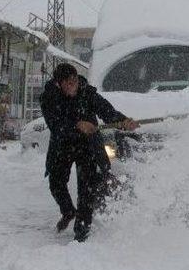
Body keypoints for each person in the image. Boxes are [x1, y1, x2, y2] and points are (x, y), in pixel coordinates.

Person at [40, 63, 138, 242]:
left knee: (87, 189)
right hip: (62, 144)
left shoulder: (87, 93)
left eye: (74, 81)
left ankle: (82, 231)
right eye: (68, 83)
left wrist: (123, 121)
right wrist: (77, 125)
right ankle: (68, 211)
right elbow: (55, 124)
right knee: (56, 182)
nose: (73, 86)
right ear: (58, 84)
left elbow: (107, 111)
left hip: (87, 146)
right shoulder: (49, 97)